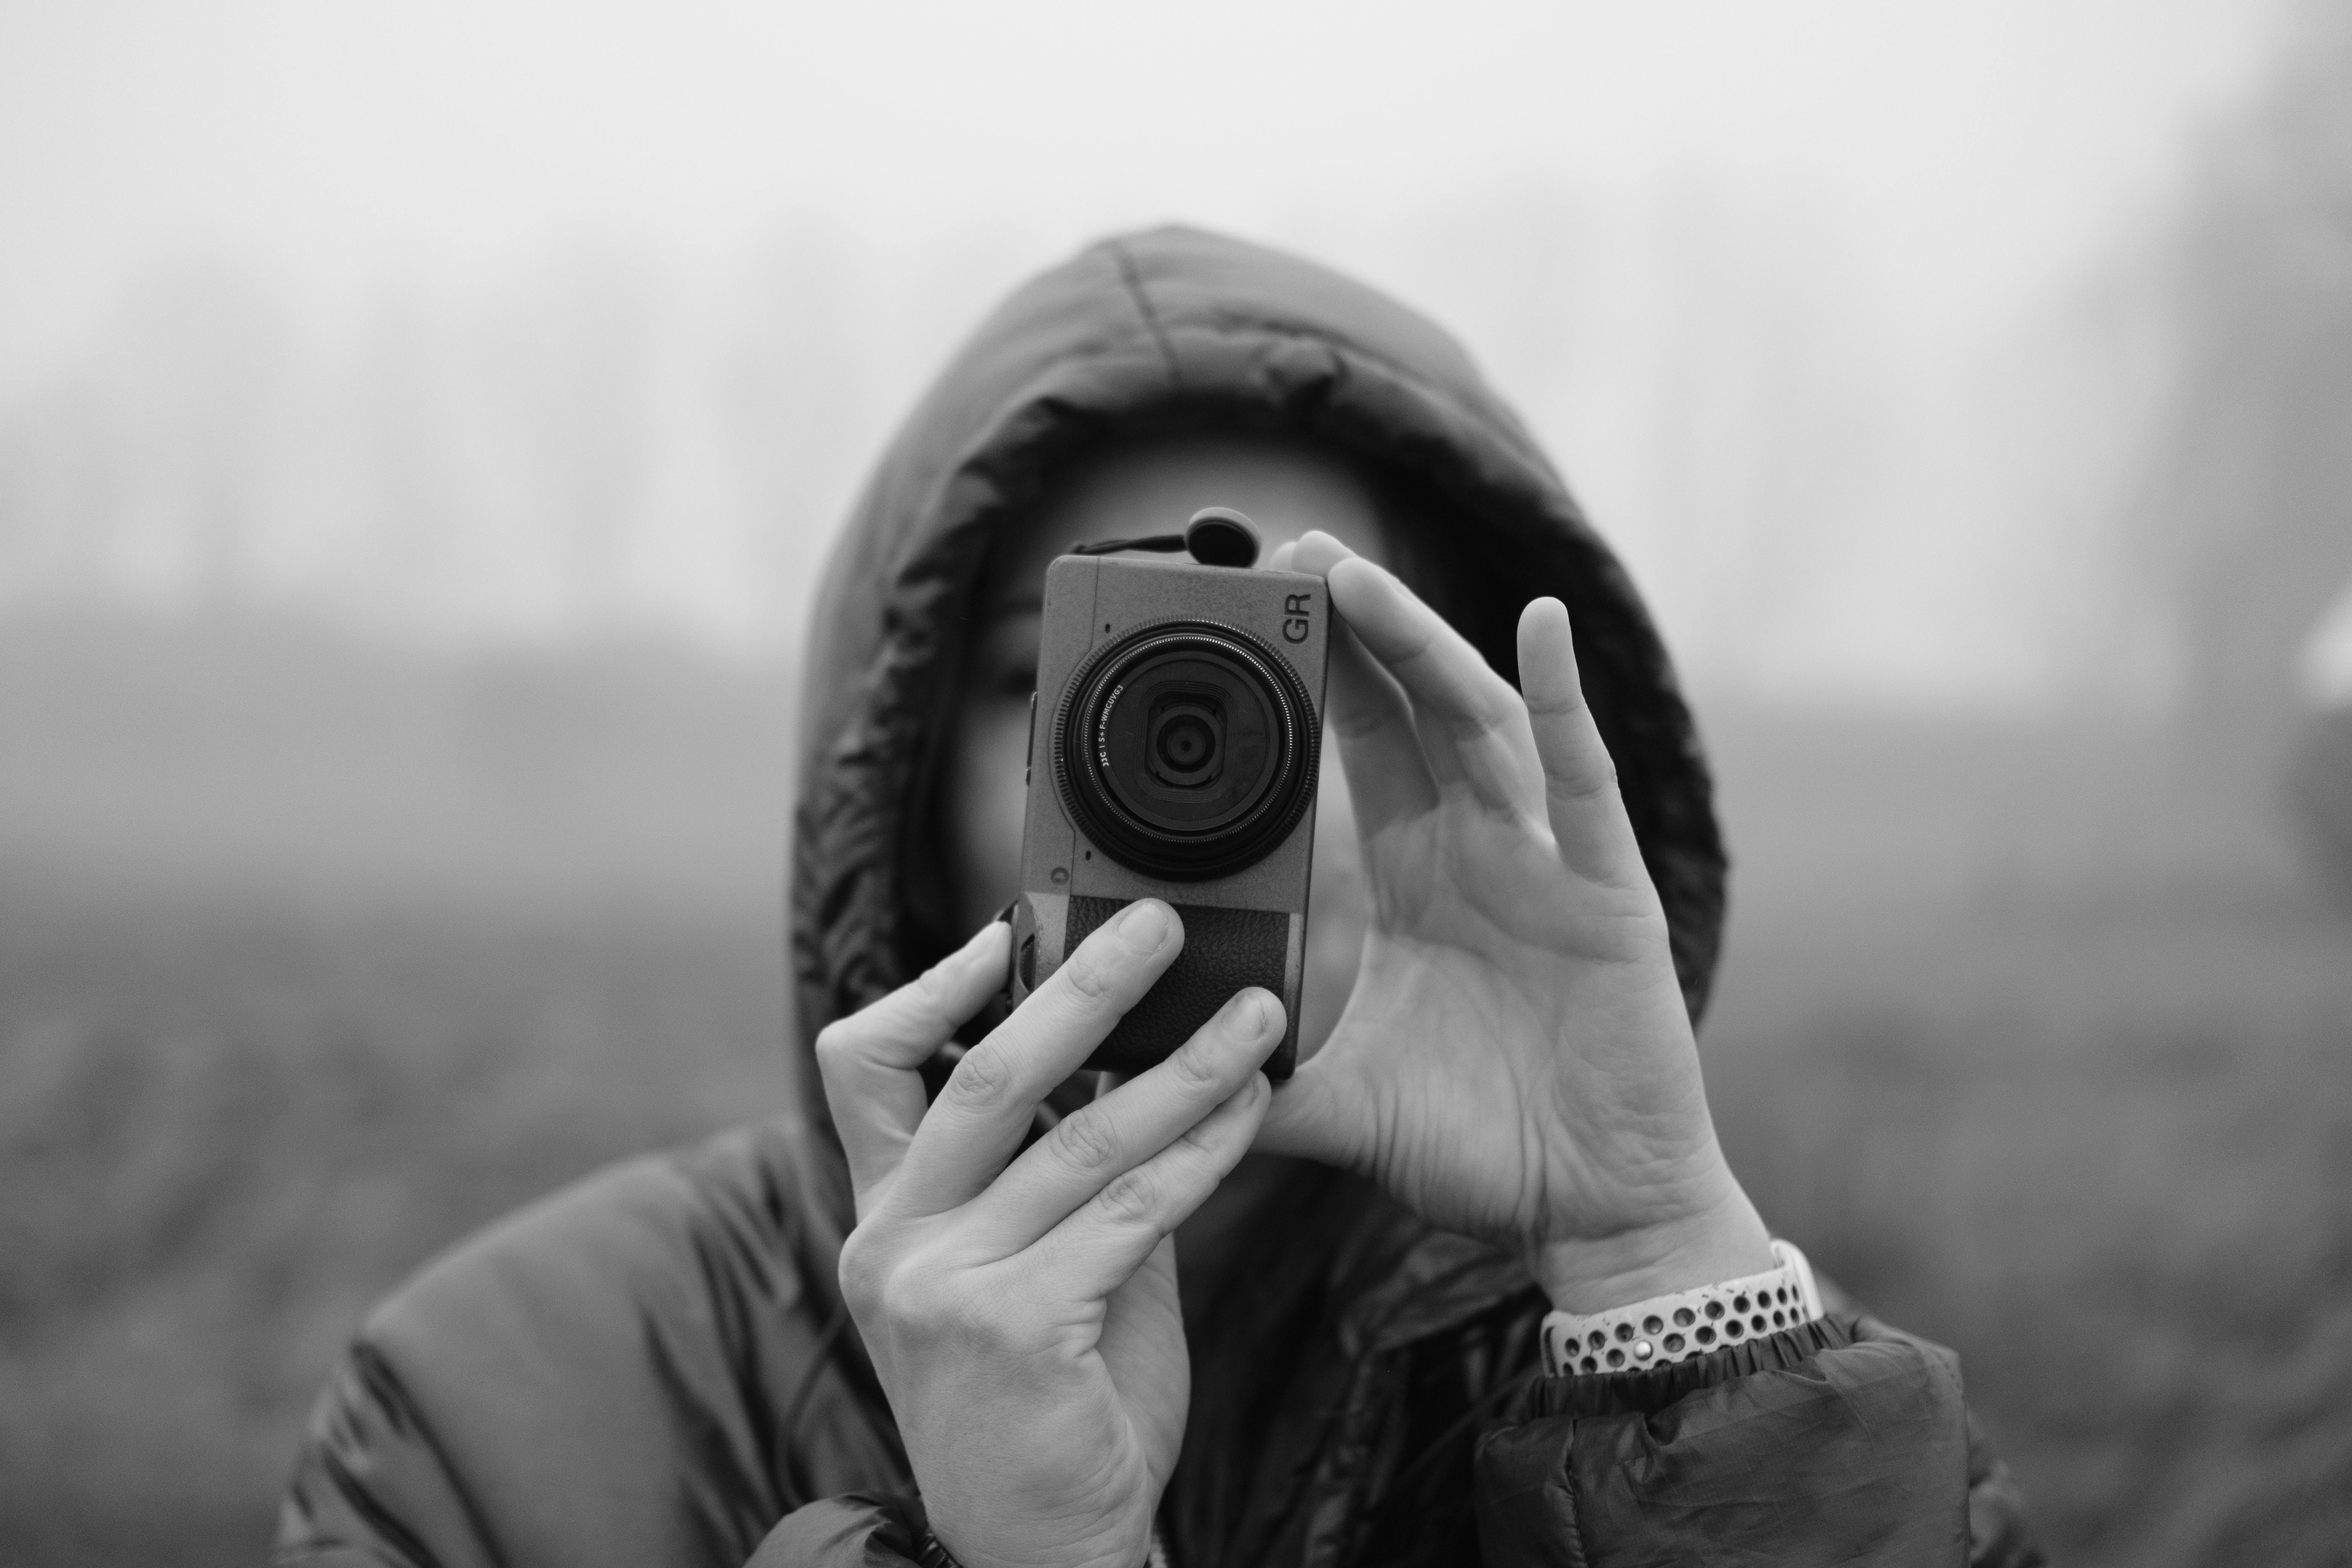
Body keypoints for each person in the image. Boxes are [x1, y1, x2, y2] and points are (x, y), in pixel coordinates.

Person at [278, 227, 2045, 1567]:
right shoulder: (494, 1420)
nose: (1187, 768)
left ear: (1450, 728)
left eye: (1301, 674)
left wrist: (1667, 1293)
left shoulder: (1781, 1391)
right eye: (1067, 678)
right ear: (890, 772)